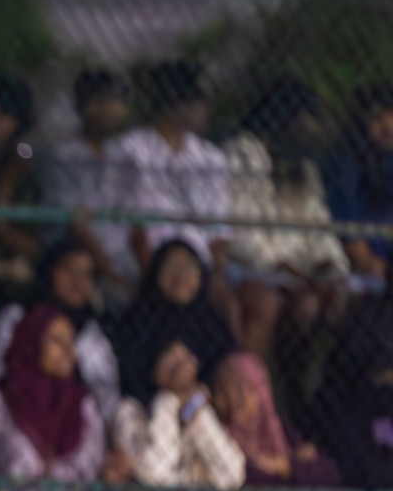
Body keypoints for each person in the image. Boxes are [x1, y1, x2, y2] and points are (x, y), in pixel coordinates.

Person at [223, 76, 349, 357]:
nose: (314, 130)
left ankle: (311, 391)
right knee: (287, 304)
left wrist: (329, 265)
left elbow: (320, 229)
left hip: (298, 275)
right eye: (308, 118)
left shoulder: (303, 167)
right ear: (285, 119)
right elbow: (241, 233)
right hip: (249, 268)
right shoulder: (241, 156)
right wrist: (282, 268)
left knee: (338, 298)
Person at [103, 330, 246, 491]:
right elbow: (157, 476)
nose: (181, 369)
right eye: (172, 361)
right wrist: (168, 399)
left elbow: (231, 476)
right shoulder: (129, 413)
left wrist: (199, 415)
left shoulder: (193, 418)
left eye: (186, 360)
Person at [0, 305, 106, 491]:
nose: (69, 351)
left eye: (71, 342)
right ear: (32, 342)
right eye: (57, 341)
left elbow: (90, 469)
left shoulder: (83, 405)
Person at [113, 62, 232, 303]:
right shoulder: (131, 150)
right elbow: (133, 228)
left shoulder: (211, 158)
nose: (205, 110)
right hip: (147, 262)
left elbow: (219, 231)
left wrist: (218, 277)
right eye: (199, 102)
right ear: (176, 105)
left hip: (199, 266)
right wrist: (152, 276)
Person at [0, 241, 121, 426]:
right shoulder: (17, 315)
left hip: (73, 426)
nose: (78, 281)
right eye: (69, 271)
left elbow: (107, 397)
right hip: (14, 416)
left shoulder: (92, 333)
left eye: (87, 275)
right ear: (51, 271)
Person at [211, 351, 339, 491]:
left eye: (244, 389)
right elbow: (239, 478)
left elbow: (328, 474)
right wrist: (286, 472)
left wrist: (285, 467)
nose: (232, 399)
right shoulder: (213, 433)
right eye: (223, 389)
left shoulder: (276, 431)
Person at [44, 68, 136, 299]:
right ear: (83, 106)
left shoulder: (123, 158)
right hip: (81, 255)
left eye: (116, 102)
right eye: (101, 101)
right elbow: (76, 224)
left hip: (123, 257)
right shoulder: (63, 156)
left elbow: (133, 221)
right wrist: (109, 272)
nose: (110, 110)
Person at [116, 240, 236, 405]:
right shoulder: (135, 321)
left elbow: (225, 368)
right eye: (172, 266)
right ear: (156, 272)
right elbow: (128, 376)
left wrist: (199, 391)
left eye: (189, 267)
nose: (181, 275)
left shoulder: (211, 325)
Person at [0, 71, 43, 306]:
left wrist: (9, 176)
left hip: (9, 264)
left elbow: (34, 243)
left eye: (5, 114)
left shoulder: (24, 162)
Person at [325, 83, 393, 283]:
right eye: (373, 118)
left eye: (383, 116)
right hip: (365, 257)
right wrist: (370, 264)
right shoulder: (348, 159)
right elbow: (348, 227)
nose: (378, 127)